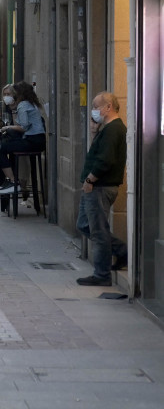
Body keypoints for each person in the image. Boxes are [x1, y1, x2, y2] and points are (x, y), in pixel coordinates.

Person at [75, 92, 128, 286]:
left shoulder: (114, 129)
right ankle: (122, 251)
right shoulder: (106, 130)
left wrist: (90, 180)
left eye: (97, 106)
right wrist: (94, 133)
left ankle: (102, 274)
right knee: (84, 225)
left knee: (98, 230)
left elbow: (105, 160)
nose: (94, 110)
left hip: (99, 186)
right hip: (95, 186)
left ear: (108, 107)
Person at [0, 81, 46, 196]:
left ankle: (12, 181)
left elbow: (23, 126)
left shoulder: (23, 105)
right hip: (37, 141)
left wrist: (8, 126)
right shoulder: (31, 104)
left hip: (32, 141)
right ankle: (12, 180)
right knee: (6, 145)